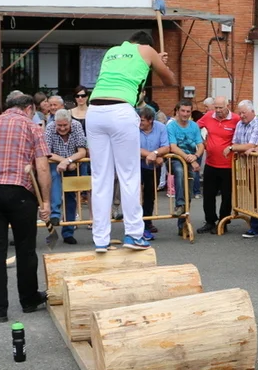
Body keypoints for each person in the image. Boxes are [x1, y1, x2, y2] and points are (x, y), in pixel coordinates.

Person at [0, 91, 51, 322]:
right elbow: (42, 167)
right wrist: (45, 200)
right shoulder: (33, 127)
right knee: (25, 249)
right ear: (29, 108)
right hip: (20, 191)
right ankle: (29, 299)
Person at [86, 31, 175, 251]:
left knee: (100, 177)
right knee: (128, 175)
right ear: (147, 44)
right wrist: (161, 63)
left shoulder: (112, 51)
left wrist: (154, 63)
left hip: (94, 110)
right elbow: (170, 81)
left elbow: (128, 69)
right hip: (120, 110)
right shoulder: (147, 50)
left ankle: (100, 239)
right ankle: (134, 235)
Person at [196, 96, 240, 234]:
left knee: (226, 196)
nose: (218, 110)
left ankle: (223, 222)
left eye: (221, 107)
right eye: (216, 107)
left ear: (228, 106)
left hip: (228, 165)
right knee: (208, 194)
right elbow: (194, 128)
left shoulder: (236, 119)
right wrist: (201, 142)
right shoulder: (209, 116)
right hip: (211, 163)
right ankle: (210, 221)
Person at [45, 108, 88, 246]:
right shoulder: (50, 127)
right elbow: (47, 152)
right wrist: (64, 161)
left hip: (73, 164)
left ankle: (68, 232)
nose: (62, 128)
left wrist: (69, 161)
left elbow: (82, 151)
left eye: (65, 125)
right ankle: (55, 214)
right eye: (59, 125)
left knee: (71, 197)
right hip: (55, 163)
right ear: (55, 123)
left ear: (70, 122)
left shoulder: (77, 126)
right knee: (54, 178)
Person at [229, 100, 258, 238]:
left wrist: (233, 148)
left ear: (252, 112)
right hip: (247, 164)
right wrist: (237, 147)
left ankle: (257, 226)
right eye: (240, 113)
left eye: (244, 113)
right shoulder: (239, 124)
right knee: (255, 195)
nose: (241, 115)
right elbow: (236, 142)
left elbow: (250, 145)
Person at [166, 100, 204, 219]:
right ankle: (179, 204)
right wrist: (191, 159)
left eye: (188, 111)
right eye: (183, 111)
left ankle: (183, 223)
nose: (185, 114)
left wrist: (196, 156)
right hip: (175, 159)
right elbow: (173, 147)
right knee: (179, 171)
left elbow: (201, 145)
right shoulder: (171, 126)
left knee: (188, 191)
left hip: (190, 160)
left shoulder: (194, 126)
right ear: (177, 111)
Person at [136, 106, 169, 241]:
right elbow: (133, 147)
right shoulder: (133, 128)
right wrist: (151, 155)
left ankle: (147, 221)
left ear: (150, 120)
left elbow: (166, 146)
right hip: (136, 166)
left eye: (142, 120)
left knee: (150, 194)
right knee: (135, 194)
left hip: (153, 167)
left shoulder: (161, 128)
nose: (140, 122)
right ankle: (136, 223)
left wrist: (155, 153)